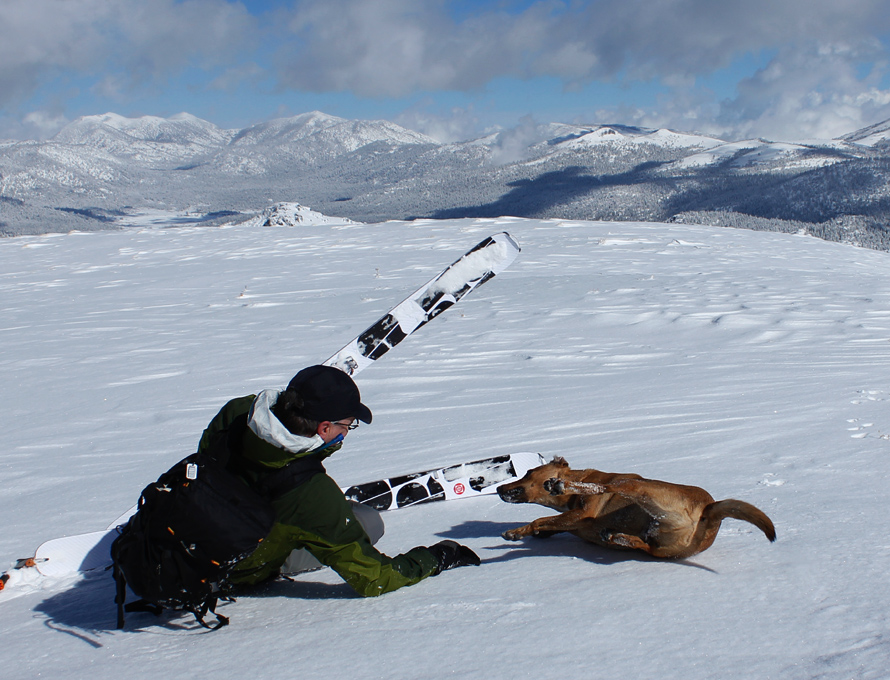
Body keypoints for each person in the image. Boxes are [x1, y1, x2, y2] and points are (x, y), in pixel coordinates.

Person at [195, 365, 480, 597]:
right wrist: (437, 558)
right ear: (324, 427)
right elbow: (374, 578)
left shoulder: (238, 412)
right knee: (367, 522)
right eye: (347, 425)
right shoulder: (310, 493)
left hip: (187, 534)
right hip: (233, 568)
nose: (347, 431)